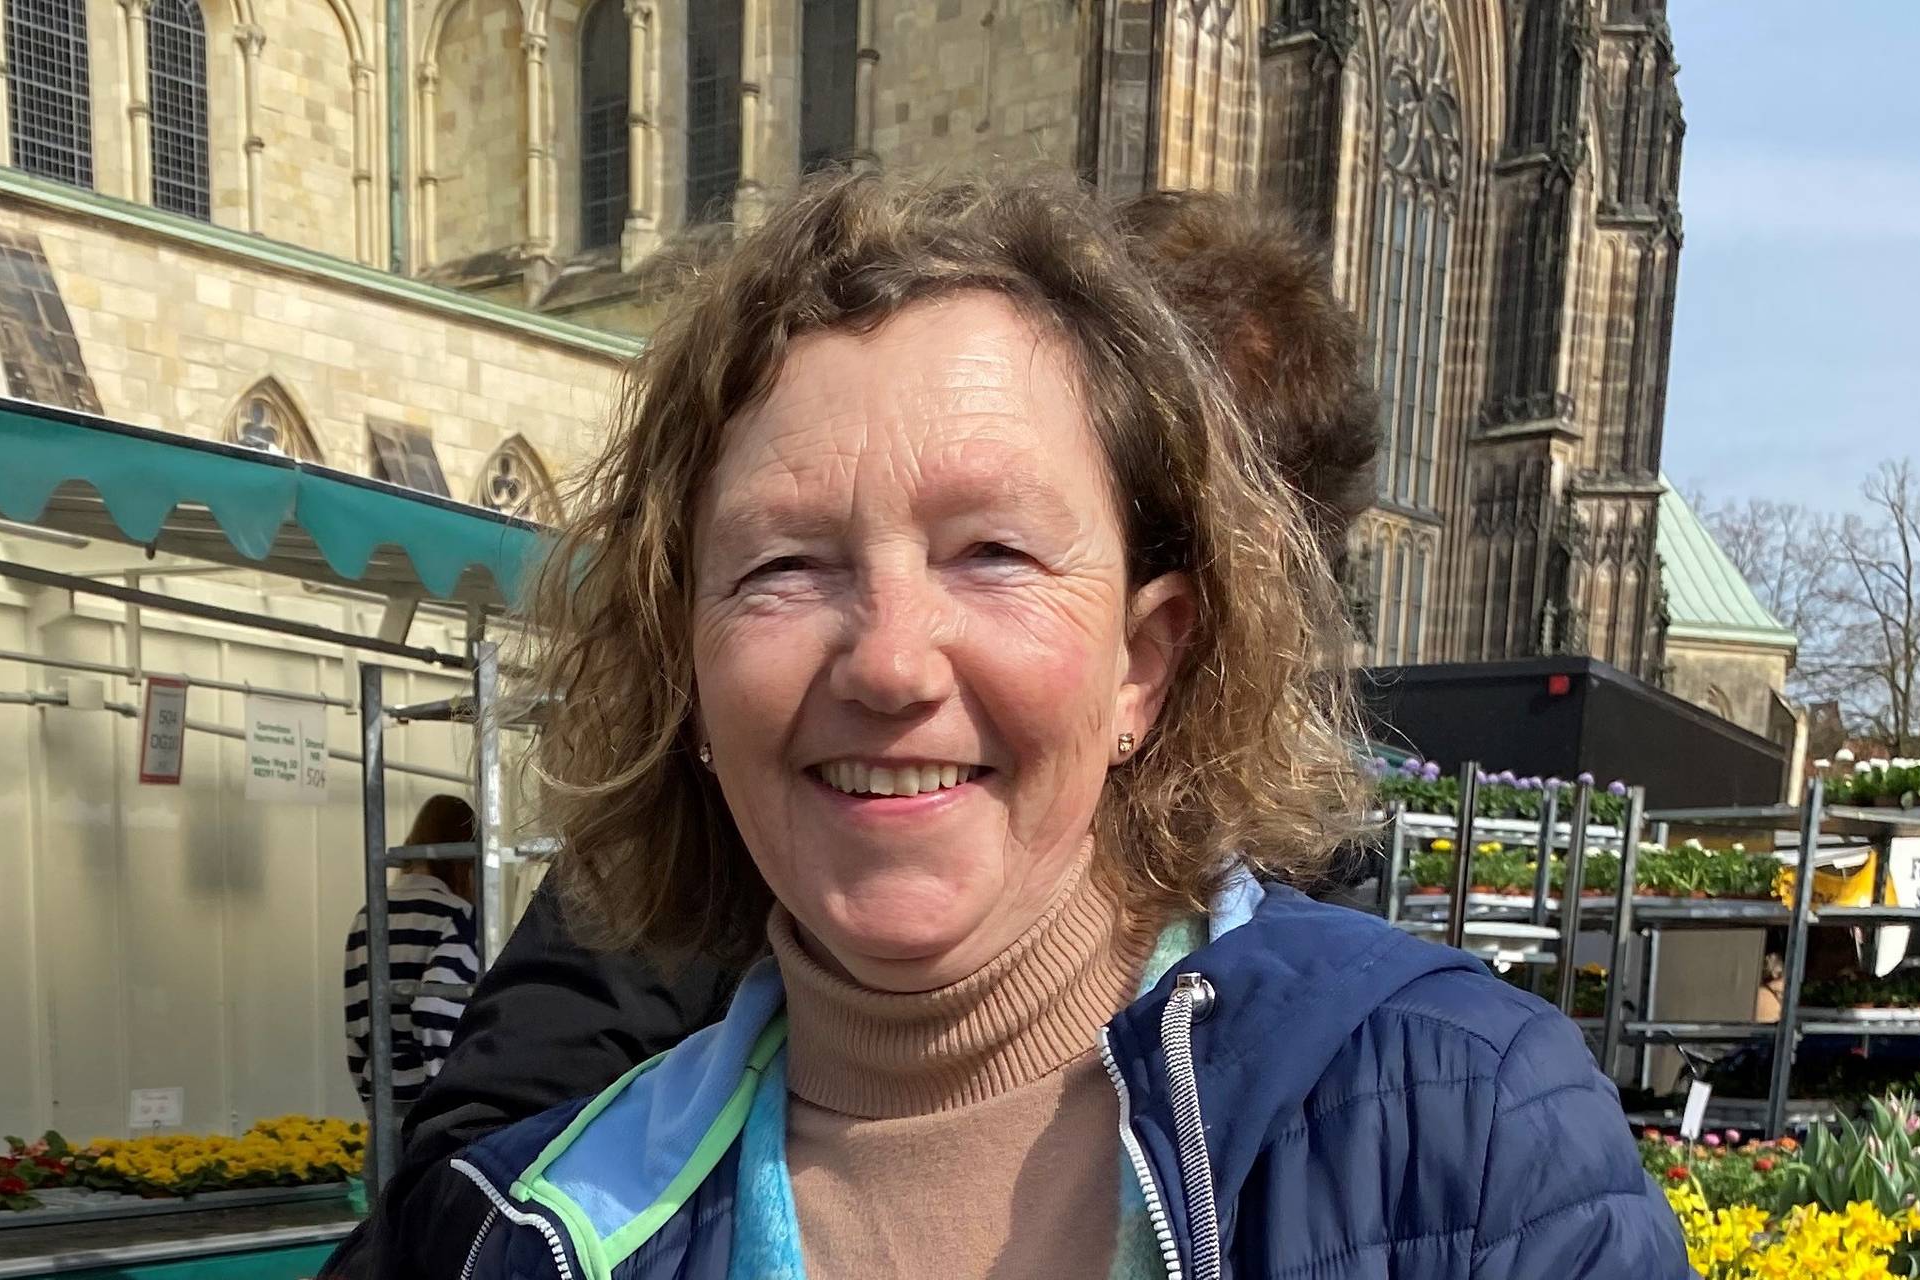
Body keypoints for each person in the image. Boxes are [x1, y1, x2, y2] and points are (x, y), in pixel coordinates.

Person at [371, 170, 1679, 1279]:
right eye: (785, 566)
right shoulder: (522, 1230)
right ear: (688, 673)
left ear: (1143, 664)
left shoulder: (1461, 1122)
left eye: (992, 551)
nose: (890, 661)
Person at [342, 795, 485, 1111]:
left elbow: (355, 1021)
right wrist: (445, 1093)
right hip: (428, 1105)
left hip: (382, 1098)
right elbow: (436, 1008)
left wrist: (371, 1096)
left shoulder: (367, 916)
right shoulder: (456, 914)